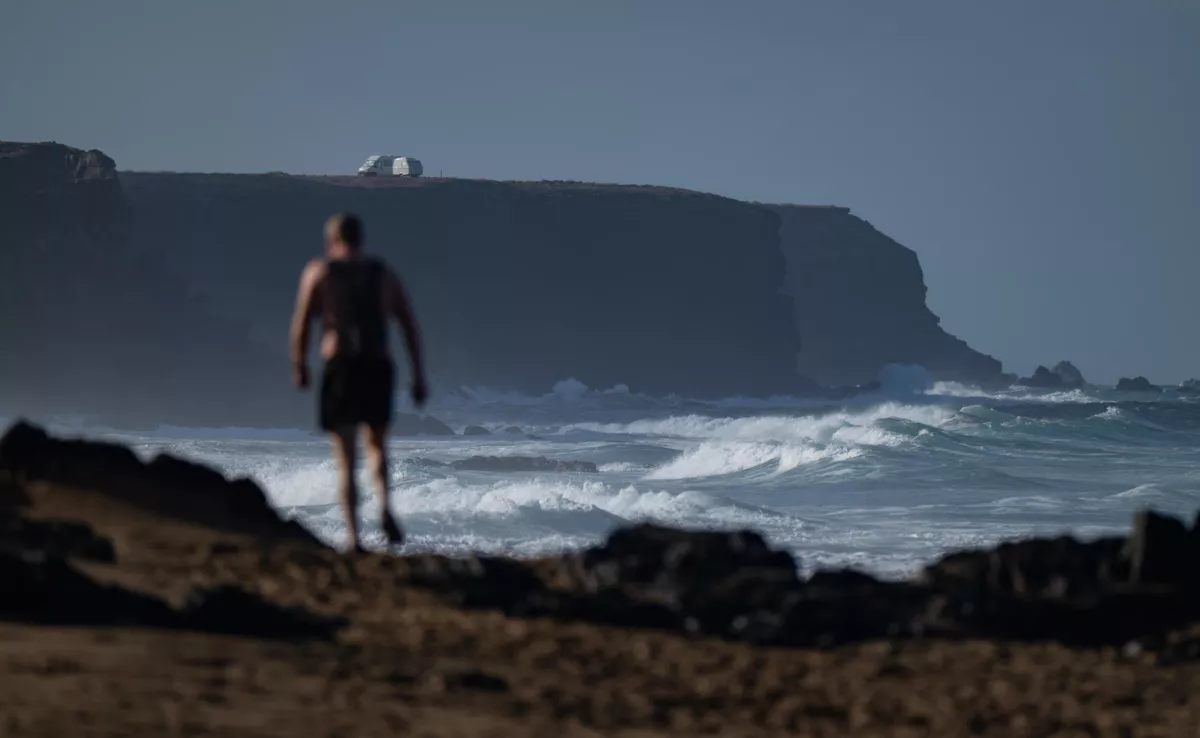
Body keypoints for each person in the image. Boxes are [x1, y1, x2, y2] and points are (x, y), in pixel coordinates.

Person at [289, 212, 429, 552]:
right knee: (378, 446)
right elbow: (409, 326)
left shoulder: (320, 272)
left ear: (332, 240)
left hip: (341, 366)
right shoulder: (384, 275)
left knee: (346, 458)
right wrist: (418, 376)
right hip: (377, 365)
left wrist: (300, 366)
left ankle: (354, 538)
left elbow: (303, 324)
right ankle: (384, 505)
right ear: (361, 239)